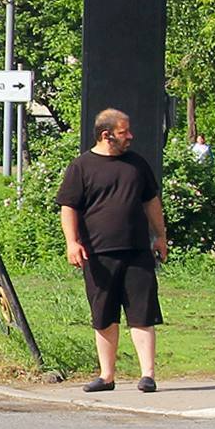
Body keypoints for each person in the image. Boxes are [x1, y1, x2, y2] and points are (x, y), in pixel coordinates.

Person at [58, 107, 169, 393]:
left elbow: (151, 201)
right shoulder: (81, 166)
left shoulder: (137, 164)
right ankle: (107, 376)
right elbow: (69, 207)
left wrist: (160, 235)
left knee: (142, 313)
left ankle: (148, 375)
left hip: (137, 252)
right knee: (104, 315)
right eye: (124, 132)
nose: (130, 136)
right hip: (98, 253)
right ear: (106, 135)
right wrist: (72, 242)